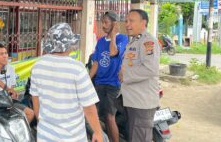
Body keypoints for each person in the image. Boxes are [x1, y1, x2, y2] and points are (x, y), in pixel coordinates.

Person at [30, 22, 103, 142]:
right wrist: (98, 132)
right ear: (69, 45)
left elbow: (35, 101)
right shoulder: (77, 68)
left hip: (45, 136)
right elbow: (89, 108)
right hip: (72, 137)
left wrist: (43, 124)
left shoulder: (37, 66)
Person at [119, 9, 160, 142]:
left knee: (140, 138)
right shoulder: (134, 41)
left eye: (131, 21)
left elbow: (150, 69)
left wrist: (125, 75)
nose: (127, 24)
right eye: (126, 21)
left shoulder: (148, 42)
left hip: (142, 102)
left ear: (143, 23)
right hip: (133, 100)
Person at [89, 11, 129, 142]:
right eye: (102, 22)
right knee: (98, 115)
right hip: (100, 83)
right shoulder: (100, 41)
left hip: (113, 84)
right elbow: (96, 62)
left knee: (110, 116)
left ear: (114, 23)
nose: (103, 25)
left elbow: (113, 52)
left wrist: (113, 35)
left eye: (106, 22)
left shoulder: (123, 38)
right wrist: (88, 79)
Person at [0, 42, 35, 123]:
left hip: (9, 101)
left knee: (30, 113)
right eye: (1, 54)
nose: (5, 56)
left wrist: (13, 93)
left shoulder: (10, 68)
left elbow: (11, 89)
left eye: (6, 53)